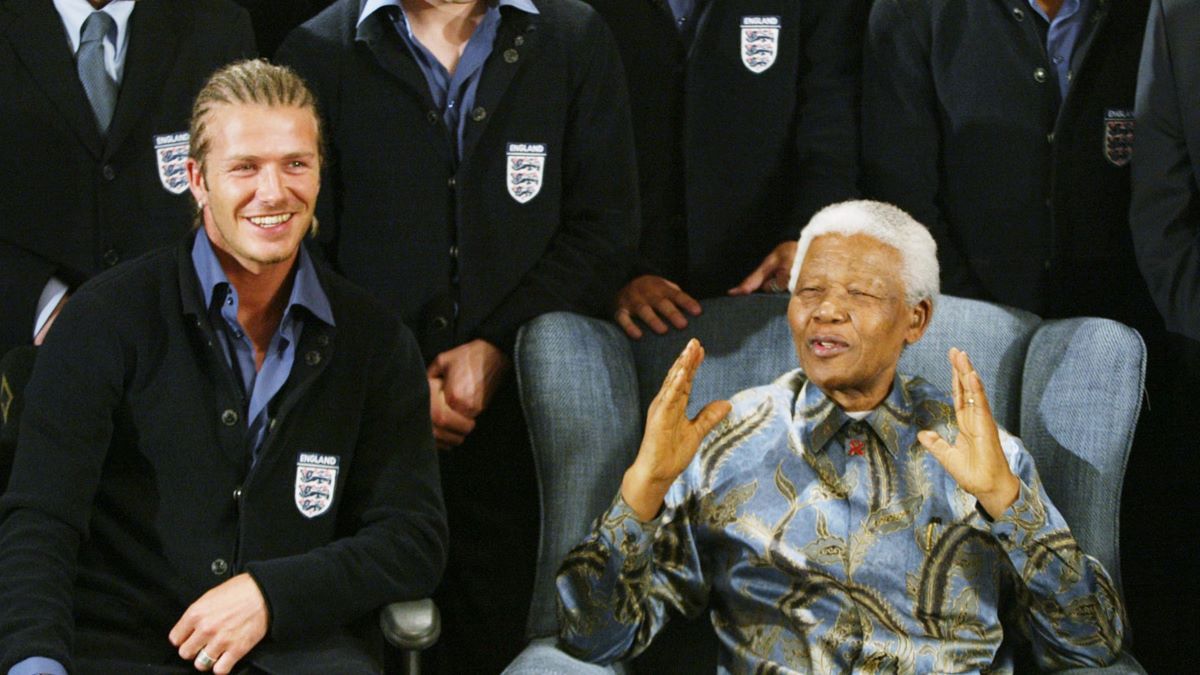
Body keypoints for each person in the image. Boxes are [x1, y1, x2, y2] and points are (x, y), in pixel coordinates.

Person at [0, 60, 447, 675]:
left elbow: (412, 539)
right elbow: (40, 521)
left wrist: (271, 594)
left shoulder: (375, 341)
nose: (274, 192)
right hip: (123, 650)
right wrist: (35, 663)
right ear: (196, 179)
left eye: (296, 163)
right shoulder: (105, 319)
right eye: (245, 167)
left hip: (298, 652)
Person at [557, 201, 1125, 672]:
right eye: (810, 292)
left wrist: (1010, 505)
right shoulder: (724, 441)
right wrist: (643, 488)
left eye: (860, 295)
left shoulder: (979, 454)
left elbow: (1090, 644)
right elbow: (598, 638)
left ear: (916, 320)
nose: (827, 312)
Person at [275, 1, 637, 670]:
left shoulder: (573, 37)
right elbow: (299, 249)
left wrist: (497, 348)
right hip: (366, 415)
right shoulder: (316, 49)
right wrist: (399, 377)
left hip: (523, 426)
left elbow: (603, 228)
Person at [861, 0, 1151, 329]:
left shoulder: (1152, 12)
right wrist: (976, 320)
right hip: (961, 324)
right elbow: (901, 196)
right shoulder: (913, 11)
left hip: (1123, 330)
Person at [584, 0, 865, 340]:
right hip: (622, 302)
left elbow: (832, 133)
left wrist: (809, 236)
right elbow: (571, 152)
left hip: (766, 294)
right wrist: (616, 278)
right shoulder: (572, 15)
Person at [0, 0, 256, 354]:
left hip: (185, 353)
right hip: (27, 360)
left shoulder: (217, 26)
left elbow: (247, 194)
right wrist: (44, 306)